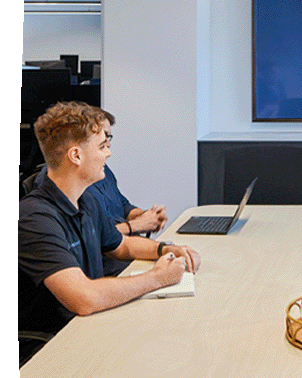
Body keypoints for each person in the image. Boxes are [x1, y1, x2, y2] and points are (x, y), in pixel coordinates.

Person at [19, 101, 201, 344]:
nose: (108, 153)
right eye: (102, 146)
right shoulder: (35, 218)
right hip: (57, 344)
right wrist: (157, 278)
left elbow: (121, 246)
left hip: (94, 325)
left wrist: (166, 249)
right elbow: (83, 298)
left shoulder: (86, 201)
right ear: (76, 155)